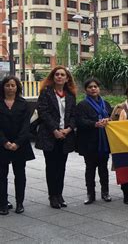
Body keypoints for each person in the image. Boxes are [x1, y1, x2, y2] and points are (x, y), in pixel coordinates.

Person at [36, 66, 77, 209]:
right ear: (53, 77)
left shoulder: (70, 95)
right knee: (51, 167)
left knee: (62, 167)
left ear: (67, 79)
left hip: (65, 135)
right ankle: (52, 196)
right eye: (57, 74)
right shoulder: (46, 93)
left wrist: (68, 129)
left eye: (62, 75)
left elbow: (73, 115)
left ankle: (60, 194)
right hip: (49, 135)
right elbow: (43, 112)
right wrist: (54, 130)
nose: (59, 77)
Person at [0, 76, 35, 215]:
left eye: (13, 85)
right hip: (2, 144)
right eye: (7, 85)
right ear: (3, 87)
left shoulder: (23, 104)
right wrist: (5, 142)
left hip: (20, 145)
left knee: (20, 174)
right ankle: (3, 203)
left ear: (17, 87)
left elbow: (26, 126)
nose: (10, 88)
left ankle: (20, 202)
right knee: (2, 175)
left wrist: (17, 143)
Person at [75, 78, 112, 205]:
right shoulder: (82, 105)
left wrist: (108, 121)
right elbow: (80, 121)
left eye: (95, 86)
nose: (93, 89)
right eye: (90, 87)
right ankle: (90, 194)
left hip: (104, 142)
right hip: (89, 142)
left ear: (99, 88)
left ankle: (105, 192)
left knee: (104, 169)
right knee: (90, 169)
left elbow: (111, 117)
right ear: (86, 90)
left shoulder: (105, 104)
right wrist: (95, 124)